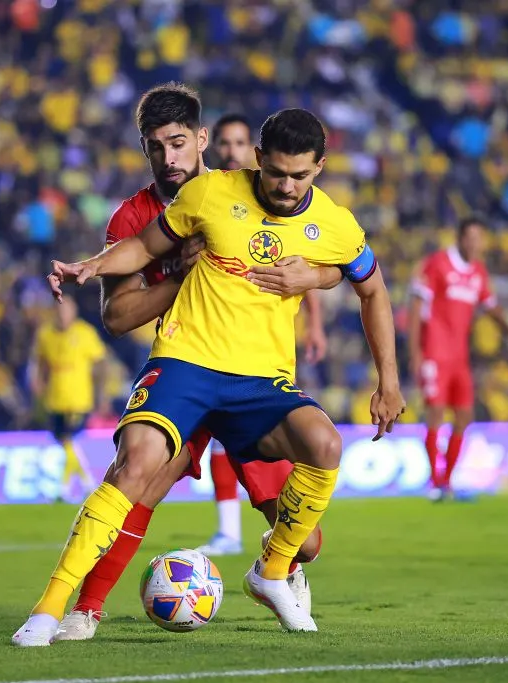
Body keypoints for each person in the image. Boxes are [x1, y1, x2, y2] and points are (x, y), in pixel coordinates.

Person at [12, 107, 405, 646]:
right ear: (258, 159)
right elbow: (143, 248)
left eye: (300, 175)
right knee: (136, 468)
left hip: (259, 380)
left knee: (325, 450)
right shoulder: (208, 194)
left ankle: (271, 573)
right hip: (186, 363)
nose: (286, 186)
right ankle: (53, 609)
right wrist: (92, 265)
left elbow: (373, 289)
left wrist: (388, 380)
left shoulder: (336, 224)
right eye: (276, 173)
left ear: (320, 167)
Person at [198, 112, 329, 558]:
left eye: (239, 143)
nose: (231, 151)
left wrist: (314, 324)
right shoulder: (204, 197)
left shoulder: (286, 206)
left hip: (260, 364)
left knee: (305, 542)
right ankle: (228, 531)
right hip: (199, 354)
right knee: (146, 468)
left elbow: (308, 270)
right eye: (225, 143)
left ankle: (279, 556)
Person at [408, 217, 508, 502]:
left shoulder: (478, 272)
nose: (474, 243)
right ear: (459, 238)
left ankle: (447, 481)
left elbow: (491, 307)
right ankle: (435, 482)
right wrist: (415, 353)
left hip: (460, 357)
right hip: (435, 353)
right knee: (435, 414)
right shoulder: (438, 264)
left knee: (464, 416)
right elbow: (416, 307)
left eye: (479, 238)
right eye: (470, 237)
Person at [30, 298, 106, 503]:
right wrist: (38, 380)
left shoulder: (85, 333)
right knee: (64, 442)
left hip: (78, 398)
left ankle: (66, 489)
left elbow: (100, 363)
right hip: (54, 398)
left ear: (74, 312)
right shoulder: (45, 334)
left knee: (68, 440)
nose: (62, 315)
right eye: (59, 311)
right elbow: (40, 360)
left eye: (66, 311)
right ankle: (87, 484)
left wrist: (101, 394)